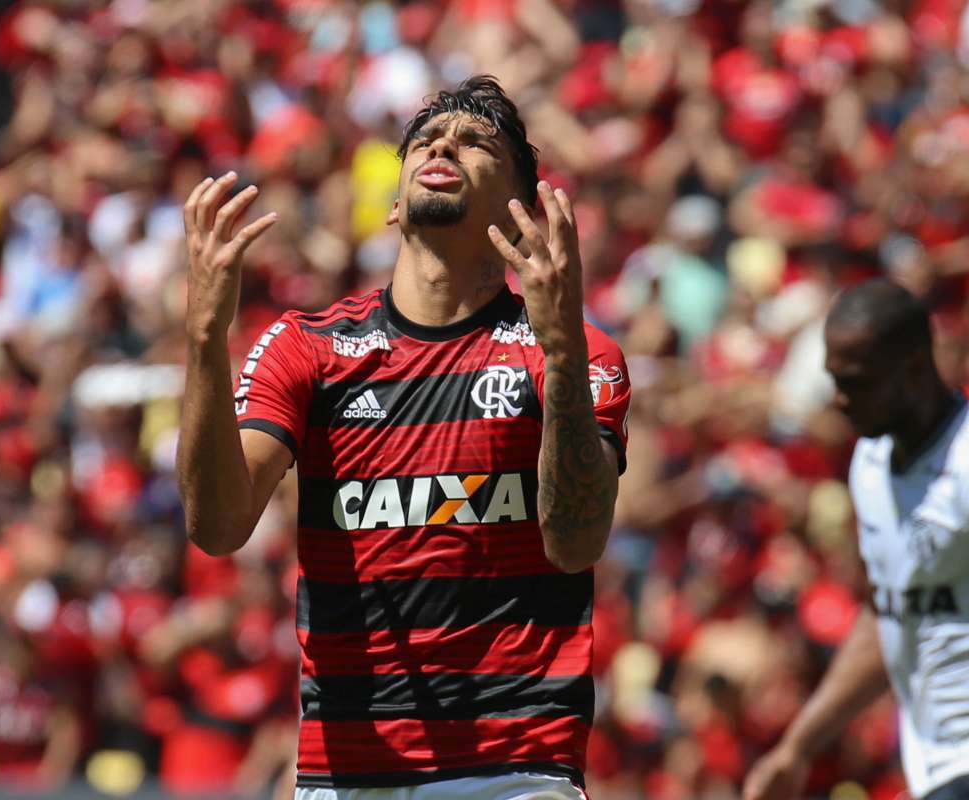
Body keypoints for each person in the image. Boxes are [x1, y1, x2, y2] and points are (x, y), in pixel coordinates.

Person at [175, 76, 631, 799]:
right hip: (349, 768)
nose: (443, 143)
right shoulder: (307, 347)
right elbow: (218, 525)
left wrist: (564, 353)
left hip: (515, 766)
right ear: (393, 205)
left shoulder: (573, 354)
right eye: (425, 140)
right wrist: (203, 340)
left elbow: (575, 542)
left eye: (476, 143)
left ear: (520, 219)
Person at [743, 278, 969, 800]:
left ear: (915, 367)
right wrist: (798, 747)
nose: (838, 398)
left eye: (856, 381)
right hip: (933, 767)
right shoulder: (870, 463)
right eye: (834, 379)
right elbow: (891, 610)